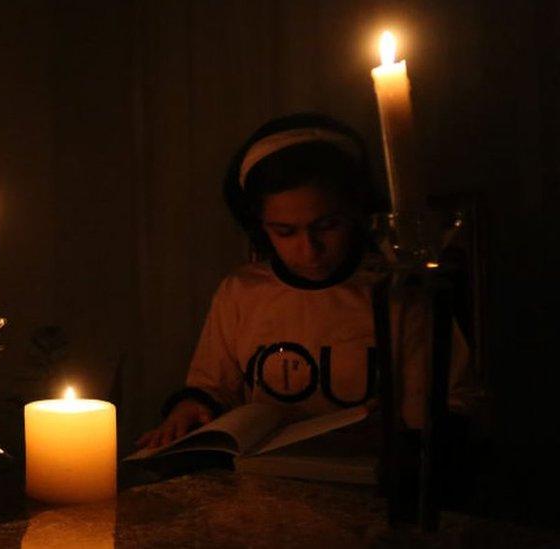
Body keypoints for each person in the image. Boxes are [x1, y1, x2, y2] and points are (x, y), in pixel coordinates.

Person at [138, 113, 478, 449]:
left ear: (356, 214)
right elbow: (213, 386)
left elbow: (450, 399)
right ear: (260, 227)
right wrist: (190, 407)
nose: (309, 250)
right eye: (285, 232)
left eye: (328, 226)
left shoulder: (400, 292)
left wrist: (409, 435)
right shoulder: (241, 292)